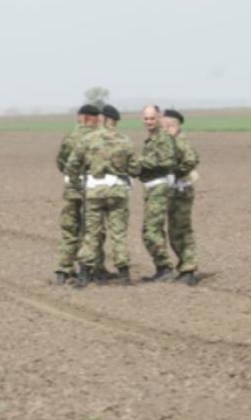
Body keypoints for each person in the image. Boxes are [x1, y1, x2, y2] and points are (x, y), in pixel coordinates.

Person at [65, 104, 137, 287]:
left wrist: (77, 183)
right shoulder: (125, 141)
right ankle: (124, 273)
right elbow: (136, 168)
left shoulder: (89, 139)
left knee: (92, 233)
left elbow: (72, 164)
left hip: (94, 191)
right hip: (118, 191)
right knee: (118, 233)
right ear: (116, 121)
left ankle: (84, 274)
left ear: (103, 119)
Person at [53, 104, 100, 285]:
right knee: (90, 229)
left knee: (69, 229)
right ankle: (87, 269)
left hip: (72, 188)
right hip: (92, 189)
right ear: (91, 119)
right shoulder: (97, 138)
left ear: (80, 118)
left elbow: (61, 163)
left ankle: (64, 270)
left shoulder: (70, 137)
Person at [135, 104, 178, 282]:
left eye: (152, 118)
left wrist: (141, 162)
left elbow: (167, 159)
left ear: (159, 118)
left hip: (159, 188)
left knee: (151, 231)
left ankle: (166, 268)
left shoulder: (163, 137)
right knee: (150, 231)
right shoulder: (151, 138)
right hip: (151, 188)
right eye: (146, 118)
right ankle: (161, 268)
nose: (149, 121)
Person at [163, 109, 200, 286]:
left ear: (172, 124)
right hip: (176, 190)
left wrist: (175, 171)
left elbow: (192, 160)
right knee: (175, 230)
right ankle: (184, 266)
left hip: (182, 190)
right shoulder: (172, 141)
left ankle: (189, 269)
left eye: (165, 124)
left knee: (182, 230)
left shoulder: (180, 141)